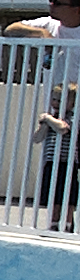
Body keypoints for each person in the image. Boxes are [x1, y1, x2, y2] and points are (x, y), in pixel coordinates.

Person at [33, 84, 80, 232]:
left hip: (68, 162)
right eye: (54, 99)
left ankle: (67, 224)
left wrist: (47, 119)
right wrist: (45, 124)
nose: (56, 103)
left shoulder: (72, 117)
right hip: (52, 162)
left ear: (72, 103)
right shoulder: (50, 119)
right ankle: (53, 222)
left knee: (68, 195)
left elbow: (63, 128)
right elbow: (37, 138)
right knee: (53, 194)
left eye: (60, 101)